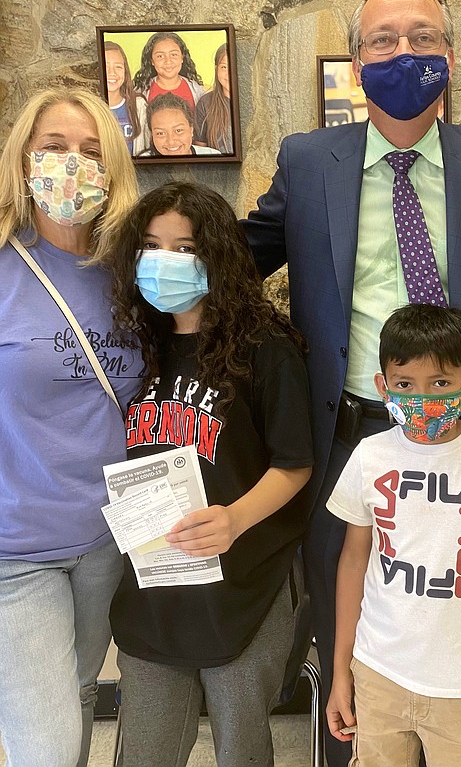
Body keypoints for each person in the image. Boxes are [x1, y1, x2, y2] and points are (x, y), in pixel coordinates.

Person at [243, 0, 461, 767]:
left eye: (423, 38)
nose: (405, 52)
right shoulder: (307, 161)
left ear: (452, 56)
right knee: (349, 624)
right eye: (384, 40)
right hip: (351, 441)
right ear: (358, 62)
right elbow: (233, 263)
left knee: (458, 618)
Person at [106, 182, 313, 767]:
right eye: (152, 246)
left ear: (216, 256)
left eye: (185, 248)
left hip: (244, 582)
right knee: (144, 752)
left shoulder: (266, 349)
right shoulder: (131, 347)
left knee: (241, 751)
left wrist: (235, 519)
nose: (165, 262)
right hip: (153, 587)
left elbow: (294, 463)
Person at [325, 304, 461, 767]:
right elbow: (352, 561)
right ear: (382, 387)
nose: (422, 398)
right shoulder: (370, 455)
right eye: (405, 385)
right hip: (377, 673)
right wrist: (341, 670)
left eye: (440, 384)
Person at [0, 88, 143, 767]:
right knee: (48, 747)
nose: (72, 164)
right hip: (13, 549)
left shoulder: (132, 272)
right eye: (55, 148)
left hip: (104, 538)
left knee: (83, 693)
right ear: (24, 158)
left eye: (91, 152)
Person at [133, 32, 206, 111]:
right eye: (160, 56)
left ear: (182, 57)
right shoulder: (140, 93)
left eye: (173, 55)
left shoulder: (197, 90)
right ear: (152, 61)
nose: (168, 61)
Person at [137, 93, 221, 157]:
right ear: (152, 135)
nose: (171, 141)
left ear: (191, 129)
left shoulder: (213, 157)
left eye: (178, 131)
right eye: (160, 133)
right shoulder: (140, 165)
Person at [104, 40, 150, 155]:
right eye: (106, 66)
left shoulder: (139, 104)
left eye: (118, 67)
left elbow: (148, 147)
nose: (112, 72)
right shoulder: (88, 107)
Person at [194, 43, 234, 154]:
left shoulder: (254, 102)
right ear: (216, 69)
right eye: (224, 67)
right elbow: (200, 148)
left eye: (233, 66)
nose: (228, 74)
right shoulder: (205, 103)